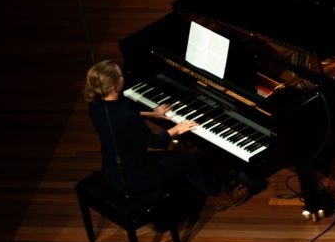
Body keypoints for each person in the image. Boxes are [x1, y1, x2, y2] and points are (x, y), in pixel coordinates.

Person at [83, 60, 241, 211]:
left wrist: (153, 113)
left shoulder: (96, 105)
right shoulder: (125, 116)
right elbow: (156, 142)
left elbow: (122, 118)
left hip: (113, 169)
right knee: (187, 161)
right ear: (115, 85)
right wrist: (177, 129)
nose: (123, 76)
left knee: (175, 156)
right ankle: (220, 196)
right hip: (135, 177)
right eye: (120, 75)